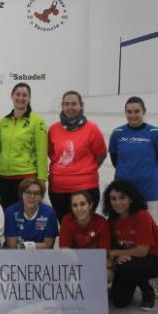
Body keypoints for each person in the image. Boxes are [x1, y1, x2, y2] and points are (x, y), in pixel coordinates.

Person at [104, 180, 158, 311]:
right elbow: (110, 247)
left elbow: (142, 251)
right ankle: (130, 280)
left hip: (155, 260)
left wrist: (116, 254)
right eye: (113, 199)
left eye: (122, 198)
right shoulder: (112, 220)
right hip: (128, 261)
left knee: (128, 266)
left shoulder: (142, 216)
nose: (117, 203)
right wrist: (116, 259)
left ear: (131, 199)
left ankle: (148, 291)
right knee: (119, 302)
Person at [109, 96, 158, 226]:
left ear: (144, 111)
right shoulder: (117, 133)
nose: (133, 115)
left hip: (149, 189)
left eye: (137, 111)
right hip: (123, 190)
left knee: (150, 228)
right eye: (129, 112)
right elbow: (115, 160)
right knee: (124, 228)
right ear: (125, 112)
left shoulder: (155, 132)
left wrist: (148, 173)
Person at [48, 91, 107, 223]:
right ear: (62, 106)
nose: (70, 107)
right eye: (66, 104)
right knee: (66, 227)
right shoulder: (53, 129)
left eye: (74, 104)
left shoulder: (92, 128)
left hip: (86, 188)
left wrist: (85, 170)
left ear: (81, 105)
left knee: (84, 229)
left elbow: (101, 154)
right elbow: (52, 154)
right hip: (58, 190)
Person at [0, 83, 48, 210]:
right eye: (17, 94)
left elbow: (42, 152)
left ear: (29, 98)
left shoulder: (37, 121)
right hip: (3, 178)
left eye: (25, 95)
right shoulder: (3, 122)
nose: (21, 98)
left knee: (25, 215)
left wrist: (41, 179)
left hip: (26, 178)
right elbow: (0, 147)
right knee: (7, 215)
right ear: (12, 96)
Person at [4, 178, 58, 249]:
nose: (32, 196)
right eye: (28, 192)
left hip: (40, 255)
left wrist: (25, 246)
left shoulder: (49, 213)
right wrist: (37, 245)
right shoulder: (11, 211)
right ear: (21, 194)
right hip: (16, 255)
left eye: (36, 193)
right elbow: (12, 246)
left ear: (41, 196)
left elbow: (48, 245)